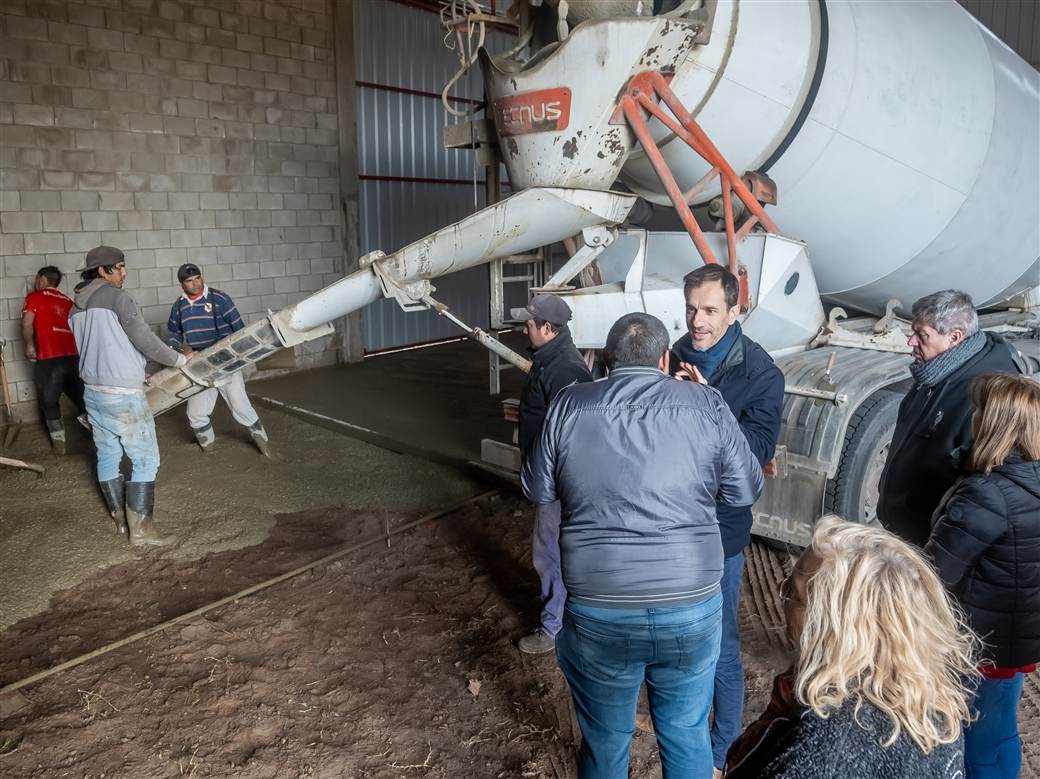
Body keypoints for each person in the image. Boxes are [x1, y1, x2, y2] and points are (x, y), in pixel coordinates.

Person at [522, 312, 763, 778]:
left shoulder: (571, 405)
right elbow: (745, 490)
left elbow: (538, 489)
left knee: (605, 740)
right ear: (665, 358)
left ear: (607, 361)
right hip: (690, 606)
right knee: (686, 730)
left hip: (599, 606)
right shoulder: (705, 404)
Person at [725, 515, 975, 779]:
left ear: (835, 627)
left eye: (794, 594)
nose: (782, 594)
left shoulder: (824, 751)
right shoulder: (931, 700)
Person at [669, 264, 785, 775]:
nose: (698, 321)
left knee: (720, 642)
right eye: (692, 308)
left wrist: (704, 402)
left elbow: (753, 460)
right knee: (676, 634)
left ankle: (720, 755)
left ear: (736, 310)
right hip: (669, 519)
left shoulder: (761, 374)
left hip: (718, 529)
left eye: (711, 310)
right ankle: (685, 729)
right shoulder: (673, 353)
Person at [925, 373, 1040, 779]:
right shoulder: (1030, 479)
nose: (972, 417)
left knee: (976, 743)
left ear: (995, 424)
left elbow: (935, 574)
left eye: (979, 411)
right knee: (1000, 728)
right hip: (1016, 640)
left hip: (980, 645)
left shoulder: (988, 494)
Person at [878, 289, 1023, 546]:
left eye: (922, 335)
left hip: (931, 541)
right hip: (904, 531)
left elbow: (982, 493)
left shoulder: (985, 397)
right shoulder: (935, 371)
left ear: (955, 337)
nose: (911, 341)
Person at [69, 246, 188, 545]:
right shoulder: (118, 298)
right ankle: (143, 531)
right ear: (102, 271)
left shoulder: (75, 308)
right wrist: (178, 360)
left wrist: (135, 367)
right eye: (119, 267)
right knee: (146, 458)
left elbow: (105, 345)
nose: (124, 272)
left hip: (93, 392)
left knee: (108, 453)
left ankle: (120, 521)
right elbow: (143, 338)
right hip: (122, 394)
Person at [509, 294, 593, 654]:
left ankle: (554, 628)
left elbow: (572, 432)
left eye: (529, 324)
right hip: (553, 476)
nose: (524, 329)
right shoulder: (550, 360)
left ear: (547, 328)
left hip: (556, 481)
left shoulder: (564, 370)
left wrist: (550, 484)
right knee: (554, 552)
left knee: (550, 553)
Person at [166, 263, 271, 456]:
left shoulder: (219, 299)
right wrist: (176, 348)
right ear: (182, 285)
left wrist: (238, 354)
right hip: (199, 363)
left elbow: (239, 328)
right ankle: (209, 449)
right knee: (195, 414)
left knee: (240, 407)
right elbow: (173, 332)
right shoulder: (179, 306)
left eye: (197, 278)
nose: (195, 283)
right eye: (189, 281)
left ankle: (266, 448)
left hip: (226, 360)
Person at [20, 265, 86, 454]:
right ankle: (98, 436)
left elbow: (26, 323)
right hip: (74, 357)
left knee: (49, 401)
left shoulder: (34, 297)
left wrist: (29, 345)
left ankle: (60, 445)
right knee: (83, 398)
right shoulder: (68, 301)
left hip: (49, 358)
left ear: (41, 279)